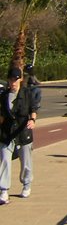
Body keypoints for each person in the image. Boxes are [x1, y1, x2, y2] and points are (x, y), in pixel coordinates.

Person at [0, 65, 39, 202]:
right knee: (5, 159)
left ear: (20, 79)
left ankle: (26, 184)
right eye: (11, 80)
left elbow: (33, 109)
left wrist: (33, 120)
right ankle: (4, 190)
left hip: (23, 132)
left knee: (26, 161)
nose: (13, 83)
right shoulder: (4, 96)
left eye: (16, 80)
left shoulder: (26, 93)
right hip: (7, 134)